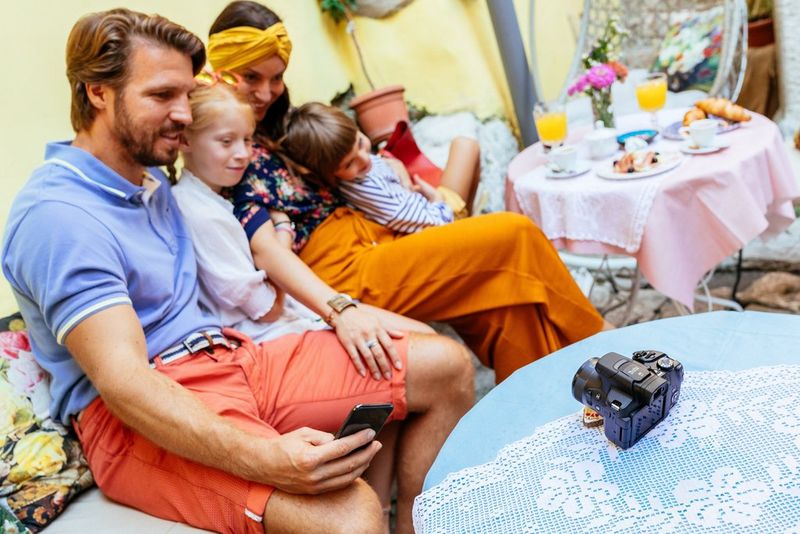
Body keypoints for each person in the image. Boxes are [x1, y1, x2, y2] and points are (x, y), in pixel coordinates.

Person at [1, 9, 474, 534]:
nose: (184, 114)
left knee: (446, 366)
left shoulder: (150, 179)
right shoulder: (60, 216)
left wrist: (337, 308)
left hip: (232, 355)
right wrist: (265, 457)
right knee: (350, 512)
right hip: (140, 412)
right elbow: (126, 382)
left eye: (187, 93)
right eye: (162, 96)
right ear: (97, 93)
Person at [207, 1, 611, 383]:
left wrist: (388, 167)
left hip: (377, 239)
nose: (266, 91)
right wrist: (338, 308)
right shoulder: (227, 143)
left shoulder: (279, 127)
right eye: (251, 77)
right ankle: (608, 345)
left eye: (275, 77)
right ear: (221, 72)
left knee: (508, 309)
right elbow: (266, 249)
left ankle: (548, 416)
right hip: (345, 272)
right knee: (514, 234)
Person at [280, 101, 468, 233]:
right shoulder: (371, 191)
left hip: (427, 208)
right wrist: (438, 201)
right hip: (440, 220)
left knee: (465, 144)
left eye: (360, 143)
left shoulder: (360, 171)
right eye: (349, 164)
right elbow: (432, 224)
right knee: (466, 146)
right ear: (329, 173)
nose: (364, 160)